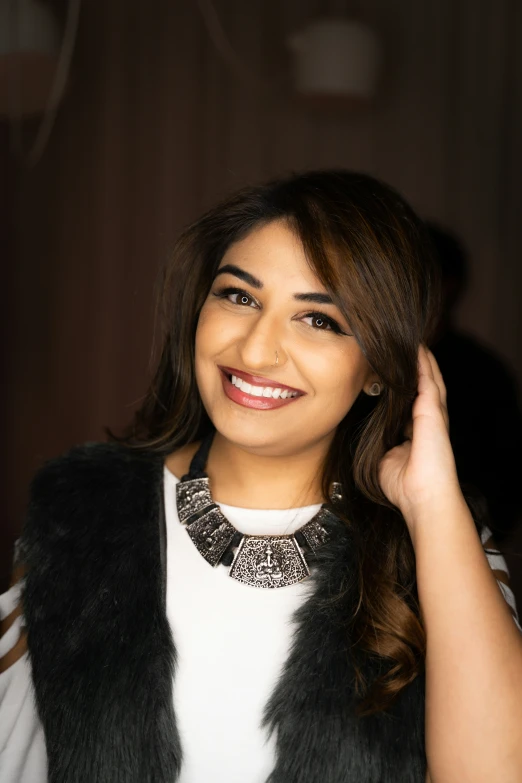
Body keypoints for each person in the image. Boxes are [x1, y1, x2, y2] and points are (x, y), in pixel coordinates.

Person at [1, 170, 521, 783]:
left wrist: (433, 500)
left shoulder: (437, 543)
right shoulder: (81, 513)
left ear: (380, 366)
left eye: (320, 320)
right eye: (239, 296)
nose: (255, 351)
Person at [427, 222, 522, 544]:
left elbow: (506, 471)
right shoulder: (371, 359)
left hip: (461, 535)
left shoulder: (483, 370)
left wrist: (479, 540)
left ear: (449, 286)